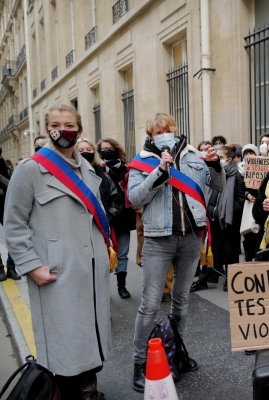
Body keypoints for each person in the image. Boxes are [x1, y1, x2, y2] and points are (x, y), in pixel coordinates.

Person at [5, 104, 110, 399]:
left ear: (78, 129)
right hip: (55, 269)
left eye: (68, 124)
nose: (62, 130)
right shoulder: (30, 169)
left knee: (91, 331)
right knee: (64, 337)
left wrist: (104, 256)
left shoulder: (88, 168)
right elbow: (13, 223)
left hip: (90, 267)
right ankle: (67, 391)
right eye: (55, 124)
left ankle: (88, 388)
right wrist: (30, 264)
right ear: (47, 129)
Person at [128, 112, 223, 392]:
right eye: (158, 132)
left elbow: (218, 185)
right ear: (151, 135)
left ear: (176, 130)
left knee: (181, 299)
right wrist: (159, 172)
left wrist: (216, 165)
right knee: (150, 303)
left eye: (167, 129)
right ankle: (140, 362)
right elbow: (134, 198)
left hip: (191, 237)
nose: (164, 134)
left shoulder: (193, 156)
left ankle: (176, 353)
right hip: (159, 239)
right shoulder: (142, 161)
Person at [192, 144, 245, 292]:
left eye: (220, 158)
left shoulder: (238, 176)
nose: (218, 161)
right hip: (213, 220)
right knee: (212, 251)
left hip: (229, 221)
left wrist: (228, 209)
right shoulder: (211, 174)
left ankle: (231, 280)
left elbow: (241, 200)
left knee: (230, 252)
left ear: (230, 160)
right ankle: (205, 279)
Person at [98, 138, 136, 299]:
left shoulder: (127, 169)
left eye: (110, 148)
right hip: (104, 218)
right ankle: (101, 289)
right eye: (104, 149)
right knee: (102, 255)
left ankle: (122, 286)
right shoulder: (98, 170)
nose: (108, 151)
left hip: (123, 218)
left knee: (122, 253)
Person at [76, 139, 123, 226]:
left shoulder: (104, 175)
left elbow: (116, 199)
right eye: (81, 151)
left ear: (94, 152)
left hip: (102, 222)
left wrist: (107, 217)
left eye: (89, 150)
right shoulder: (71, 175)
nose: (85, 152)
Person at [0, 147, 19, 282]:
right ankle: (0, 268)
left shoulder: (7, 169)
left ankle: (11, 267)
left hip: (5, 204)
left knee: (12, 236)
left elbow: (12, 186)